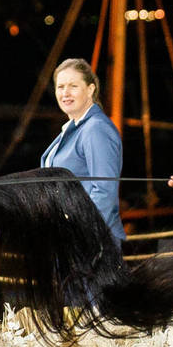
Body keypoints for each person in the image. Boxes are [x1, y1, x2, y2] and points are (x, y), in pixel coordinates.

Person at [40, 57, 123, 244]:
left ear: (90, 89)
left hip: (88, 242)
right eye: (60, 87)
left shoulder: (96, 128)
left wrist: (80, 235)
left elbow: (104, 192)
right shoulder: (72, 129)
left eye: (73, 86)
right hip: (66, 238)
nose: (65, 93)